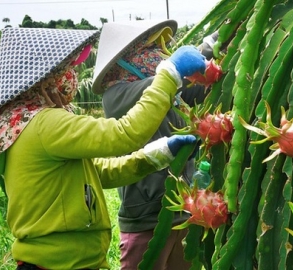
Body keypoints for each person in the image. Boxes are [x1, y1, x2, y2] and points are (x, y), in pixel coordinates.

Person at [0, 27, 206, 269]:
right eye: (66, 69)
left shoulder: (20, 125)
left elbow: (98, 172)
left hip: (61, 261)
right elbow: (124, 134)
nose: (72, 76)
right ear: (45, 76)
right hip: (64, 264)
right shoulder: (45, 124)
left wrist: (157, 155)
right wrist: (169, 74)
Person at [93, 20, 218, 270]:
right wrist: (181, 63)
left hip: (185, 207)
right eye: (148, 51)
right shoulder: (116, 95)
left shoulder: (170, 88)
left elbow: (196, 88)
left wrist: (217, 40)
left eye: (159, 48)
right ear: (124, 60)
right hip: (145, 215)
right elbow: (159, 84)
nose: (157, 55)